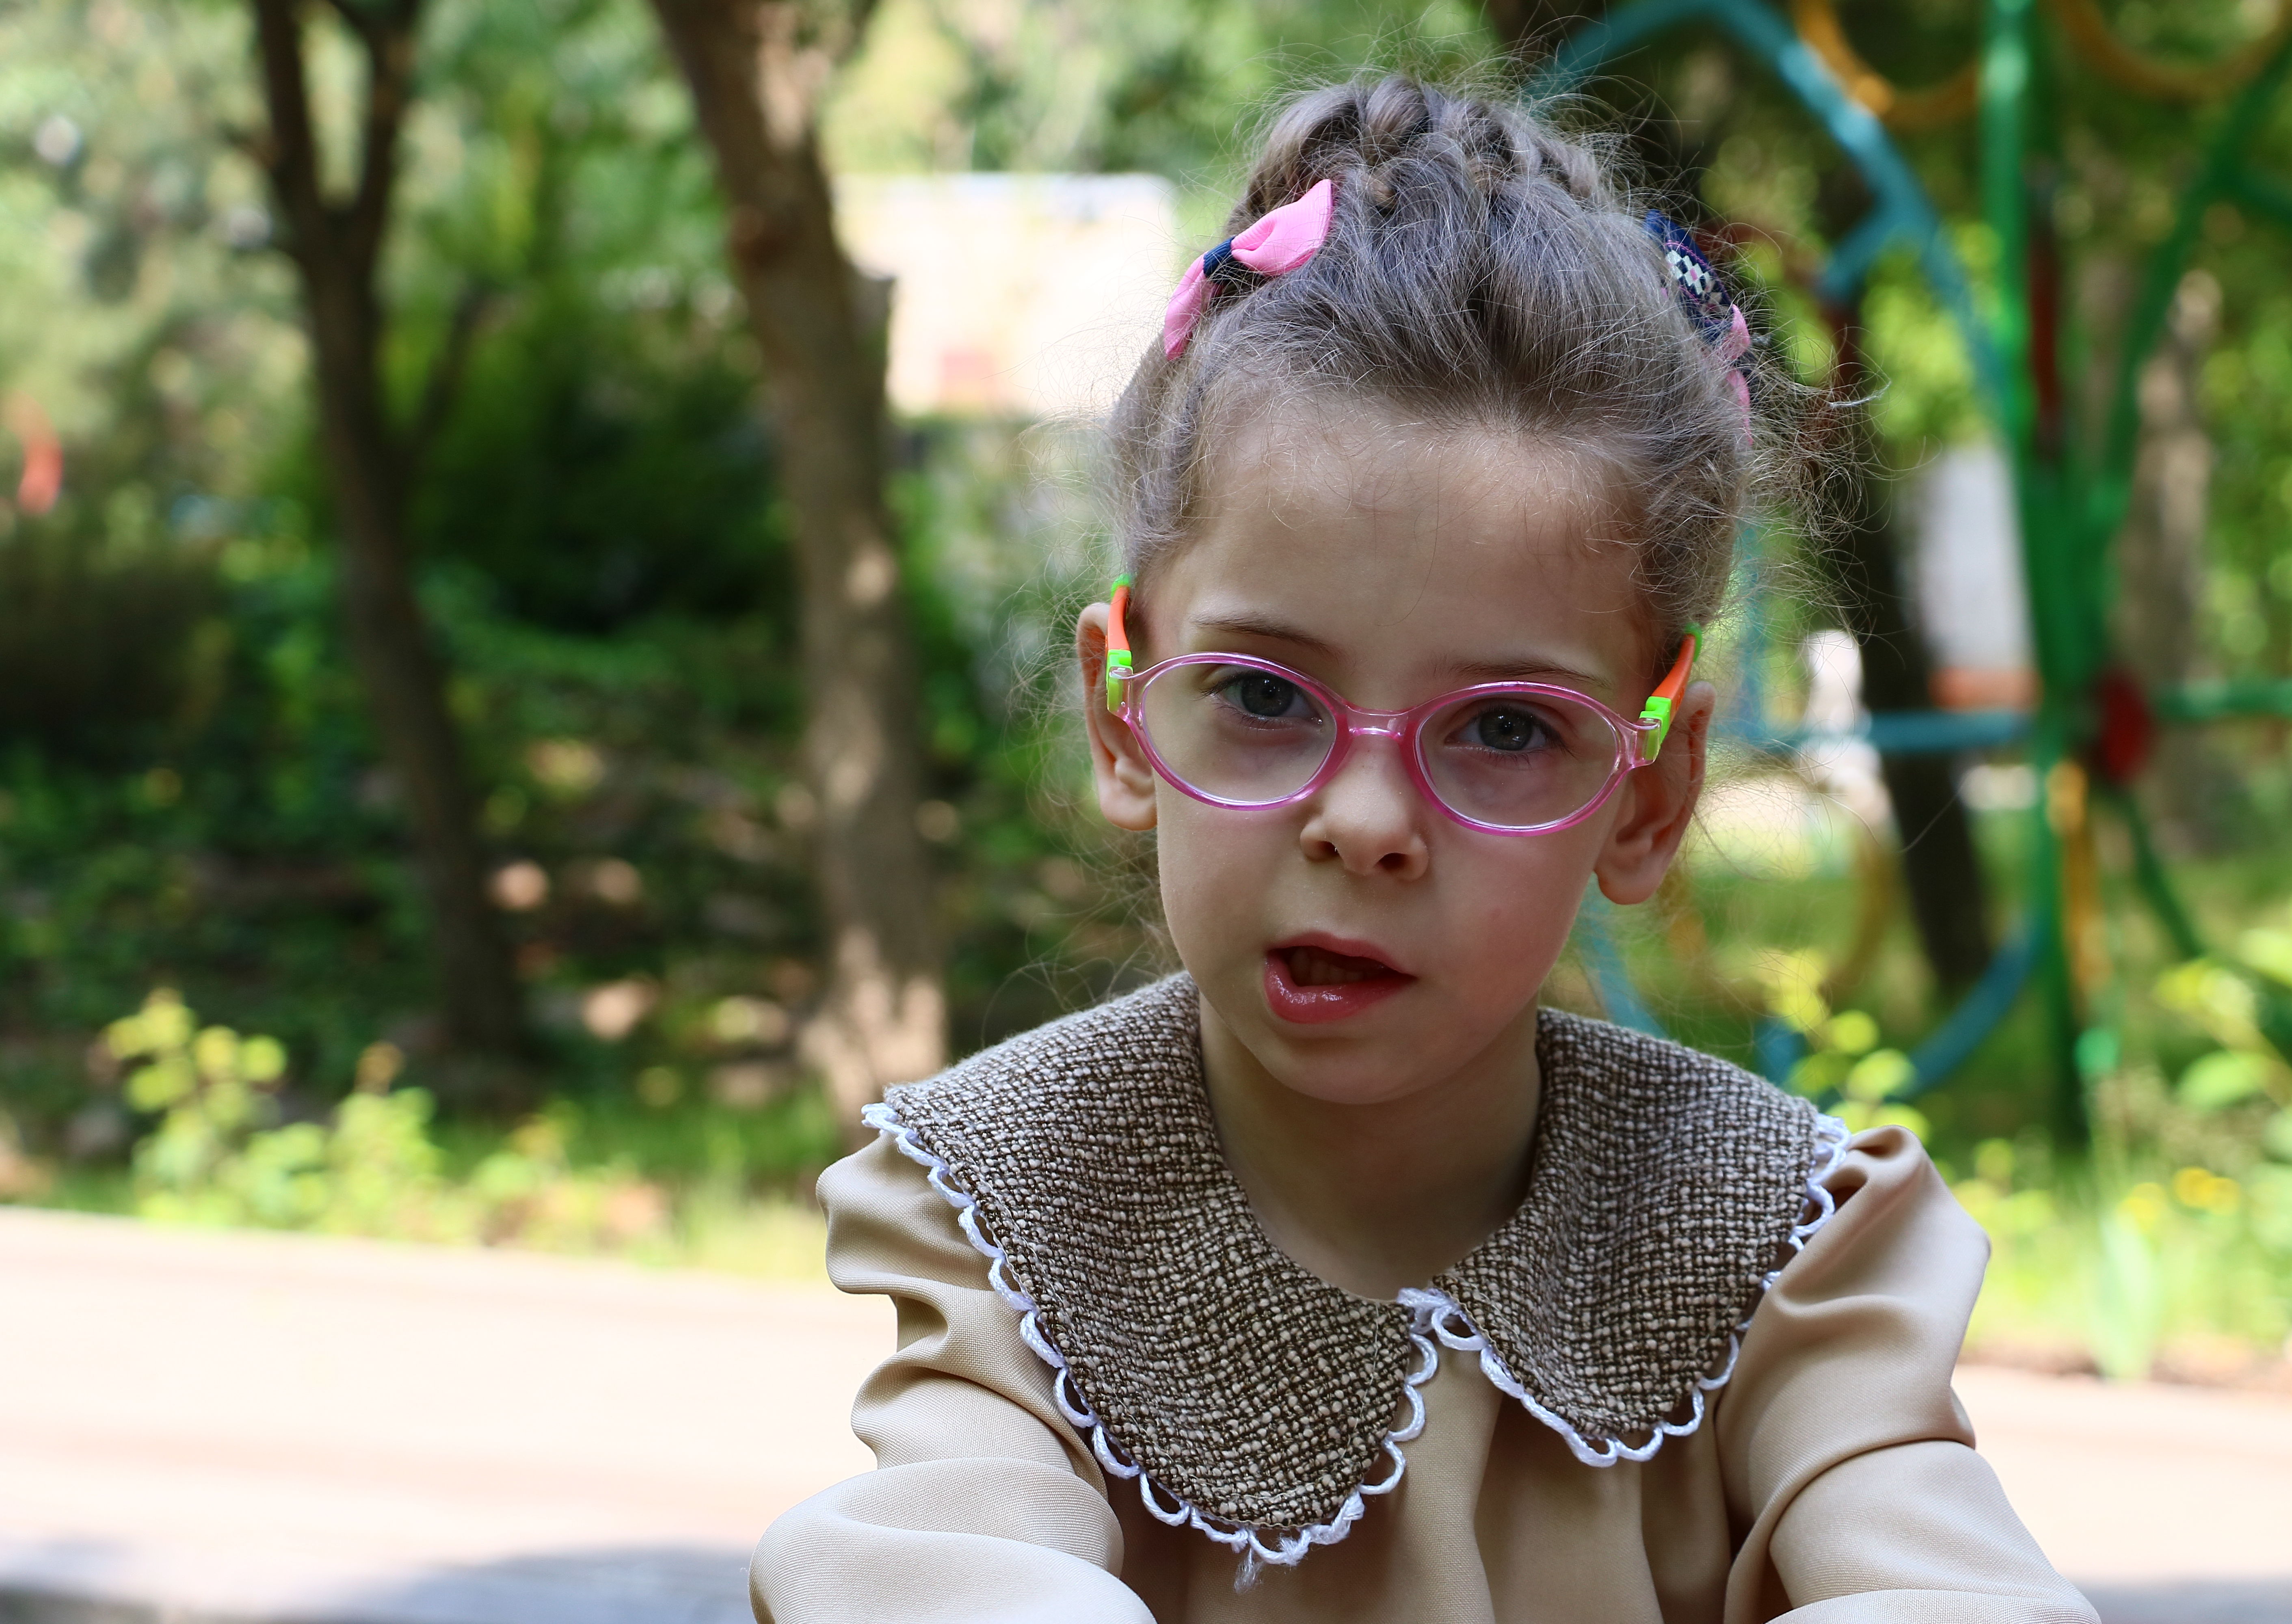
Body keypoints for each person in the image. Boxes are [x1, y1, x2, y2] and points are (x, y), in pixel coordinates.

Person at [751, 76, 2096, 1624]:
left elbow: (1946, 1582)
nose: (1368, 824)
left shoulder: (1776, 1239)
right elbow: (941, 1557)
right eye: (1264, 697)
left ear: (1649, 799)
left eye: (1504, 728)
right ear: (1125, 721)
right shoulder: (1017, 1202)